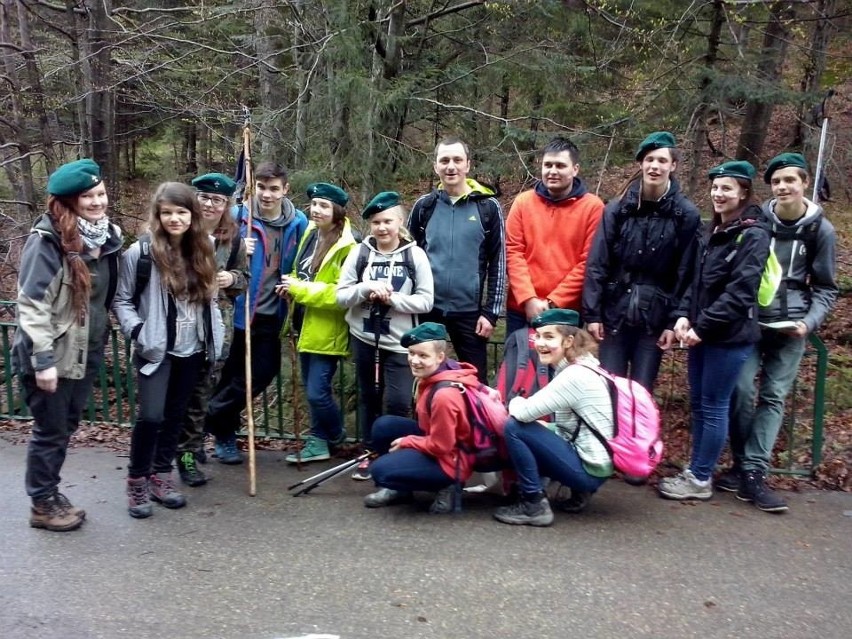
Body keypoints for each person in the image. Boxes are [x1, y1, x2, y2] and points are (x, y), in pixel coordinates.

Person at [723, 153, 838, 512]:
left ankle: (754, 473)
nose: (783, 187)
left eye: (790, 180)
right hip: (752, 321)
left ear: (804, 183)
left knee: (773, 396)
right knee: (740, 389)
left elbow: (826, 286)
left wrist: (810, 321)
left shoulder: (821, 229)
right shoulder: (756, 222)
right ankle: (742, 465)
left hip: (793, 325)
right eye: (776, 181)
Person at [12, 159, 122, 532]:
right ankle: (42, 503)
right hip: (50, 354)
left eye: (101, 194)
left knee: (65, 425)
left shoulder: (107, 239)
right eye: (87, 196)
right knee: (50, 429)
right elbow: (31, 304)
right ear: (69, 201)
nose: (96, 202)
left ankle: (49, 491)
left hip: (83, 351)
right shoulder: (46, 242)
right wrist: (42, 360)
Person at [659, 161, 770, 502]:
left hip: (728, 337)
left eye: (727, 188)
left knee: (715, 404)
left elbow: (740, 293)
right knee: (700, 403)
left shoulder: (753, 234)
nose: (719, 194)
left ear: (743, 193)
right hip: (700, 334)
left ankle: (700, 477)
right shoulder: (711, 232)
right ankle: (696, 469)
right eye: (715, 188)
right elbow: (694, 282)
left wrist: (702, 326)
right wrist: (681, 316)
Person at [113, 182, 224, 518]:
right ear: (157, 216)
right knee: (151, 416)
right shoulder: (141, 253)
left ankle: (162, 477)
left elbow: (211, 300)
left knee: (176, 415)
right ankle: (137, 481)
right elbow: (122, 300)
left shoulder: (205, 248)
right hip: (156, 349)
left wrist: (214, 338)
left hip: (193, 349)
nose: (174, 219)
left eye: (181, 212)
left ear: (192, 214)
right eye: (167, 213)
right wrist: (139, 332)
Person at [204, 162, 308, 464]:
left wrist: (297, 285)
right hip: (235, 308)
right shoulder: (238, 217)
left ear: (285, 190)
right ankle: (224, 437)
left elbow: (306, 259)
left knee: (263, 371)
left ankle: (209, 415)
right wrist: (234, 246)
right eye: (261, 187)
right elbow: (206, 249)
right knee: (230, 376)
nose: (267, 194)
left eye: (274, 188)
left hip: (273, 311)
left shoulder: (297, 222)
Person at [583, 131, 702, 390]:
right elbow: (598, 262)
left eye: (661, 160)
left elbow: (687, 273)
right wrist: (593, 313)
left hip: (655, 318)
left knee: (641, 392)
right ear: (641, 164)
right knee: (609, 389)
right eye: (649, 160)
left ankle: (639, 433)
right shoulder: (618, 209)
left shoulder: (686, 215)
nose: (654, 166)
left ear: (673, 165)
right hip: (615, 313)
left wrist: (674, 320)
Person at [336, 191, 434, 480]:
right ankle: (369, 451)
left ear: (400, 221)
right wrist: (366, 289)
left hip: (402, 342)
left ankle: (398, 452)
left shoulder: (415, 255)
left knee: (399, 401)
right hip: (365, 337)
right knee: (368, 396)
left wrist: (393, 300)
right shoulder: (360, 252)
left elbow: (426, 301)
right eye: (376, 222)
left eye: (388, 221)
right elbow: (341, 296)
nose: (382, 228)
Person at [492, 309, 614, 527]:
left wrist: (511, 400)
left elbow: (521, 412)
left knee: (514, 427)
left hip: (588, 470)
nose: (539, 343)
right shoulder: (588, 366)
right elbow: (577, 426)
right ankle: (579, 492)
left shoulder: (574, 376)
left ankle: (533, 504)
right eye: (538, 336)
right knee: (539, 426)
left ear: (568, 341)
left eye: (549, 337)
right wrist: (546, 427)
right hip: (599, 463)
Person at [407, 137, 505, 384]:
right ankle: (425, 422)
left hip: (469, 312)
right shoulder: (424, 207)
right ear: (435, 166)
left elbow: (498, 262)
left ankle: (474, 423)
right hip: (429, 308)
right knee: (424, 377)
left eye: (457, 160)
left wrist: (491, 312)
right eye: (445, 160)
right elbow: (408, 257)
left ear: (468, 165)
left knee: (474, 381)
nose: (451, 166)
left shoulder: (488, 207)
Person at [362, 322, 480, 514]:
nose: (414, 360)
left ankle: (450, 485)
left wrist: (409, 441)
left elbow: (442, 446)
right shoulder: (434, 374)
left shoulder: (444, 395)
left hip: (452, 459)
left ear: (440, 357)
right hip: (439, 442)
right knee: (384, 426)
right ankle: (401, 490)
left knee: (381, 471)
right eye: (411, 353)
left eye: (423, 355)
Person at [176, 173, 248, 486]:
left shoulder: (232, 241)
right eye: (204, 197)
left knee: (200, 394)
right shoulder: (176, 231)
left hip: (212, 328)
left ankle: (189, 455)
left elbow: (243, 279)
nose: (209, 204)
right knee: (173, 395)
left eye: (217, 200)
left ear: (226, 205)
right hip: (175, 325)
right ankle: (168, 451)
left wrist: (232, 279)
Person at [279, 183, 357, 463]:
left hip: (328, 328)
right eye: (313, 204)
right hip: (304, 322)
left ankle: (335, 434)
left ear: (337, 211)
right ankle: (318, 442)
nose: (316, 210)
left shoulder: (349, 245)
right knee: (313, 389)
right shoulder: (311, 233)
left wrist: (298, 289)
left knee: (317, 392)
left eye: (324, 206)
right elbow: (300, 272)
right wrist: (290, 285)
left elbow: (340, 294)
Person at [505, 137, 604, 336]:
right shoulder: (523, 203)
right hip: (521, 309)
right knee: (520, 366)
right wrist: (528, 299)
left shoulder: (593, 208)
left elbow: (588, 262)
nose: (553, 171)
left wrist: (553, 301)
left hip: (566, 312)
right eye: (548, 165)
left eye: (560, 165)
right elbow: (513, 252)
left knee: (562, 368)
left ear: (575, 169)